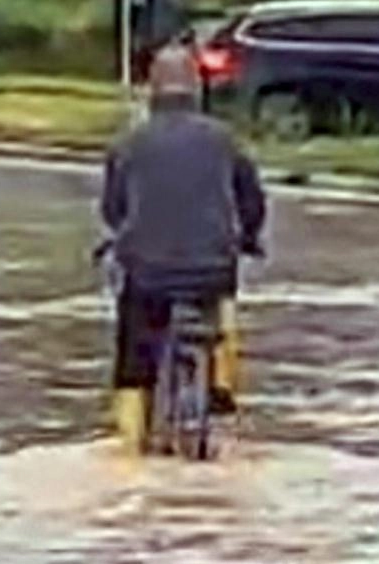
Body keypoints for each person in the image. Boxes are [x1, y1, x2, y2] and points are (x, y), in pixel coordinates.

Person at [99, 39, 267, 453]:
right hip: (212, 268)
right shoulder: (225, 140)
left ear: (151, 92)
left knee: (133, 365)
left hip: (146, 272)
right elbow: (252, 201)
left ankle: (129, 454)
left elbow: (112, 208)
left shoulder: (128, 144)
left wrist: (125, 235)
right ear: (196, 90)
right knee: (222, 302)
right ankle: (223, 385)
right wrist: (248, 238)